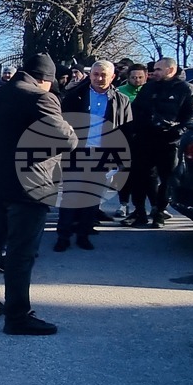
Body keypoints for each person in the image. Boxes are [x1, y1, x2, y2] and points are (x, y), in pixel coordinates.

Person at [0, 53, 77, 335]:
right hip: (29, 186)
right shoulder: (40, 98)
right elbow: (67, 139)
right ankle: (17, 316)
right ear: (45, 79)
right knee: (21, 252)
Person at [54, 61, 131, 252]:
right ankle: (63, 236)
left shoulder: (121, 101)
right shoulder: (75, 96)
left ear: (112, 77)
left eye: (104, 75)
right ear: (90, 75)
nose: (99, 78)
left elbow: (127, 131)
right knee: (70, 197)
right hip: (76, 153)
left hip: (102, 155)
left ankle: (84, 234)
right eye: (95, 74)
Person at [122, 57, 193, 228]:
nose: (154, 72)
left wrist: (177, 130)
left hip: (169, 142)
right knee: (139, 176)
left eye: (158, 69)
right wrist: (134, 131)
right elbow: (136, 111)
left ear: (170, 70)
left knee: (167, 179)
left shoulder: (187, 90)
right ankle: (139, 211)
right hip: (145, 139)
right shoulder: (149, 88)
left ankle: (159, 212)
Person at [113, 64, 148, 217]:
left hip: (144, 138)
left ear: (146, 77)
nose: (137, 80)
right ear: (128, 77)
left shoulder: (150, 91)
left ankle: (143, 207)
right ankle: (123, 203)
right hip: (123, 136)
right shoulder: (119, 92)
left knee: (143, 174)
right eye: (133, 77)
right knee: (123, 171)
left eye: (140, 77)